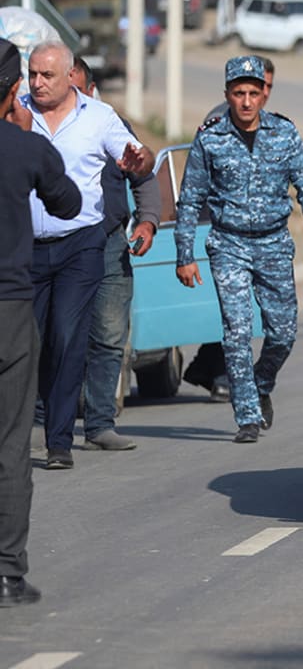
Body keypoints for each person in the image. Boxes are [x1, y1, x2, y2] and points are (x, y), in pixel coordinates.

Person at [175, 56, 303, 444]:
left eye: (253, 93)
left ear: (264, 95)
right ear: (227, 95)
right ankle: (247, 415)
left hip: (274, 242)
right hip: (229, 244)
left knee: (283, 333)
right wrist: (185, 255)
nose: (246, 101)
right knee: (237, 332)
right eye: (238, 93)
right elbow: (190, 200)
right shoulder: (210, 137)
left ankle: (261, 383)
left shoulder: (285, 133)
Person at [22, 41, 153, 470]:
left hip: (81, 243)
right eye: (33, 74)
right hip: (25, 246)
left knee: (67, 335)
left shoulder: (99, 118)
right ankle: (28, 425)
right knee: (30, 341)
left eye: (47, 76)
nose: (38, 84)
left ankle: (59, 442)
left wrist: (138, 160)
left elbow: (139, 159)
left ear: (70, 77)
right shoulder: (17, 113)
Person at [0, 38, 82, 607]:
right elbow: (69, 205)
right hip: (9, 312)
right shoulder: (24, 148)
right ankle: (7, 573)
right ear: (13, 92)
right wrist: (29, 142)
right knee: (10, 444)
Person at [74, 57, 160, 452]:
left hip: (109, 241)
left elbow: (143, 173)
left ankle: (99, 423)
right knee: (52, 332)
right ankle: (41, 419)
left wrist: (148, 222)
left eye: (73, 85)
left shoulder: (108, 122)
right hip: (54, 242)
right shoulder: (32, 120)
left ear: (90, 87)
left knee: (109, 334)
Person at [185, 56, 277, 401]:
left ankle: (204, 366)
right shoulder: (219, 121)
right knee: (232, 305)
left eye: (265, 87)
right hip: (224, 228)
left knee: (243, 306)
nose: (257, 94)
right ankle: (223, 372)